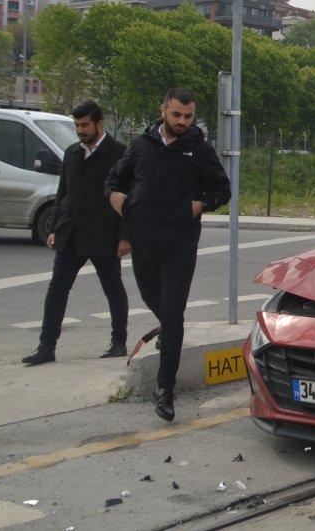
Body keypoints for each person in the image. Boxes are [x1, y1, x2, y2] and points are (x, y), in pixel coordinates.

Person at [105, 88, 230, 421]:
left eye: (188, 116)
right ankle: (168, 331)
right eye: (176, 115)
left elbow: (223, 190)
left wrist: (199, 205)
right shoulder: (140, 146)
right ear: (163, 110)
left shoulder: (199, 150)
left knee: (173, 315)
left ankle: (165, 389)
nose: (182, 121)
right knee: (152, 298)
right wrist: (118, 200)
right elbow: (114, 180)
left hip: (180, 244)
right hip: (144, 242)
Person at [21, 100, 130, 366]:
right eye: (77, 125)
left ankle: (118, 342)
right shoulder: (71, 153)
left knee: (113, 289)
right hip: (70, 234)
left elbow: (130, 198)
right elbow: (63, 195)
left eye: (85, 125)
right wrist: (54, 229)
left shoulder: (120, 154)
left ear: (99, 123)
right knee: (57, 289)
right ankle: (46, 347)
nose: (80, 130)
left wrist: (125, 236)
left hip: (104, 236)